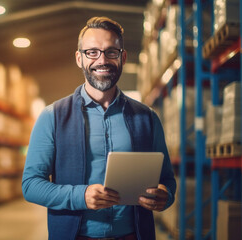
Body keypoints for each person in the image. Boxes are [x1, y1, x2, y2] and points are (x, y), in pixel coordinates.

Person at [22, 16, 176, 240]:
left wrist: (165, 196)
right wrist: (80, 196)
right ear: (79, 58)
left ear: (122, 57)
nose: (101, 60)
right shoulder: (52, 116)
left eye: (111, 52)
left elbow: (168, 179)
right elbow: (31, 185)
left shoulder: (147, 118)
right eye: (92, 52)